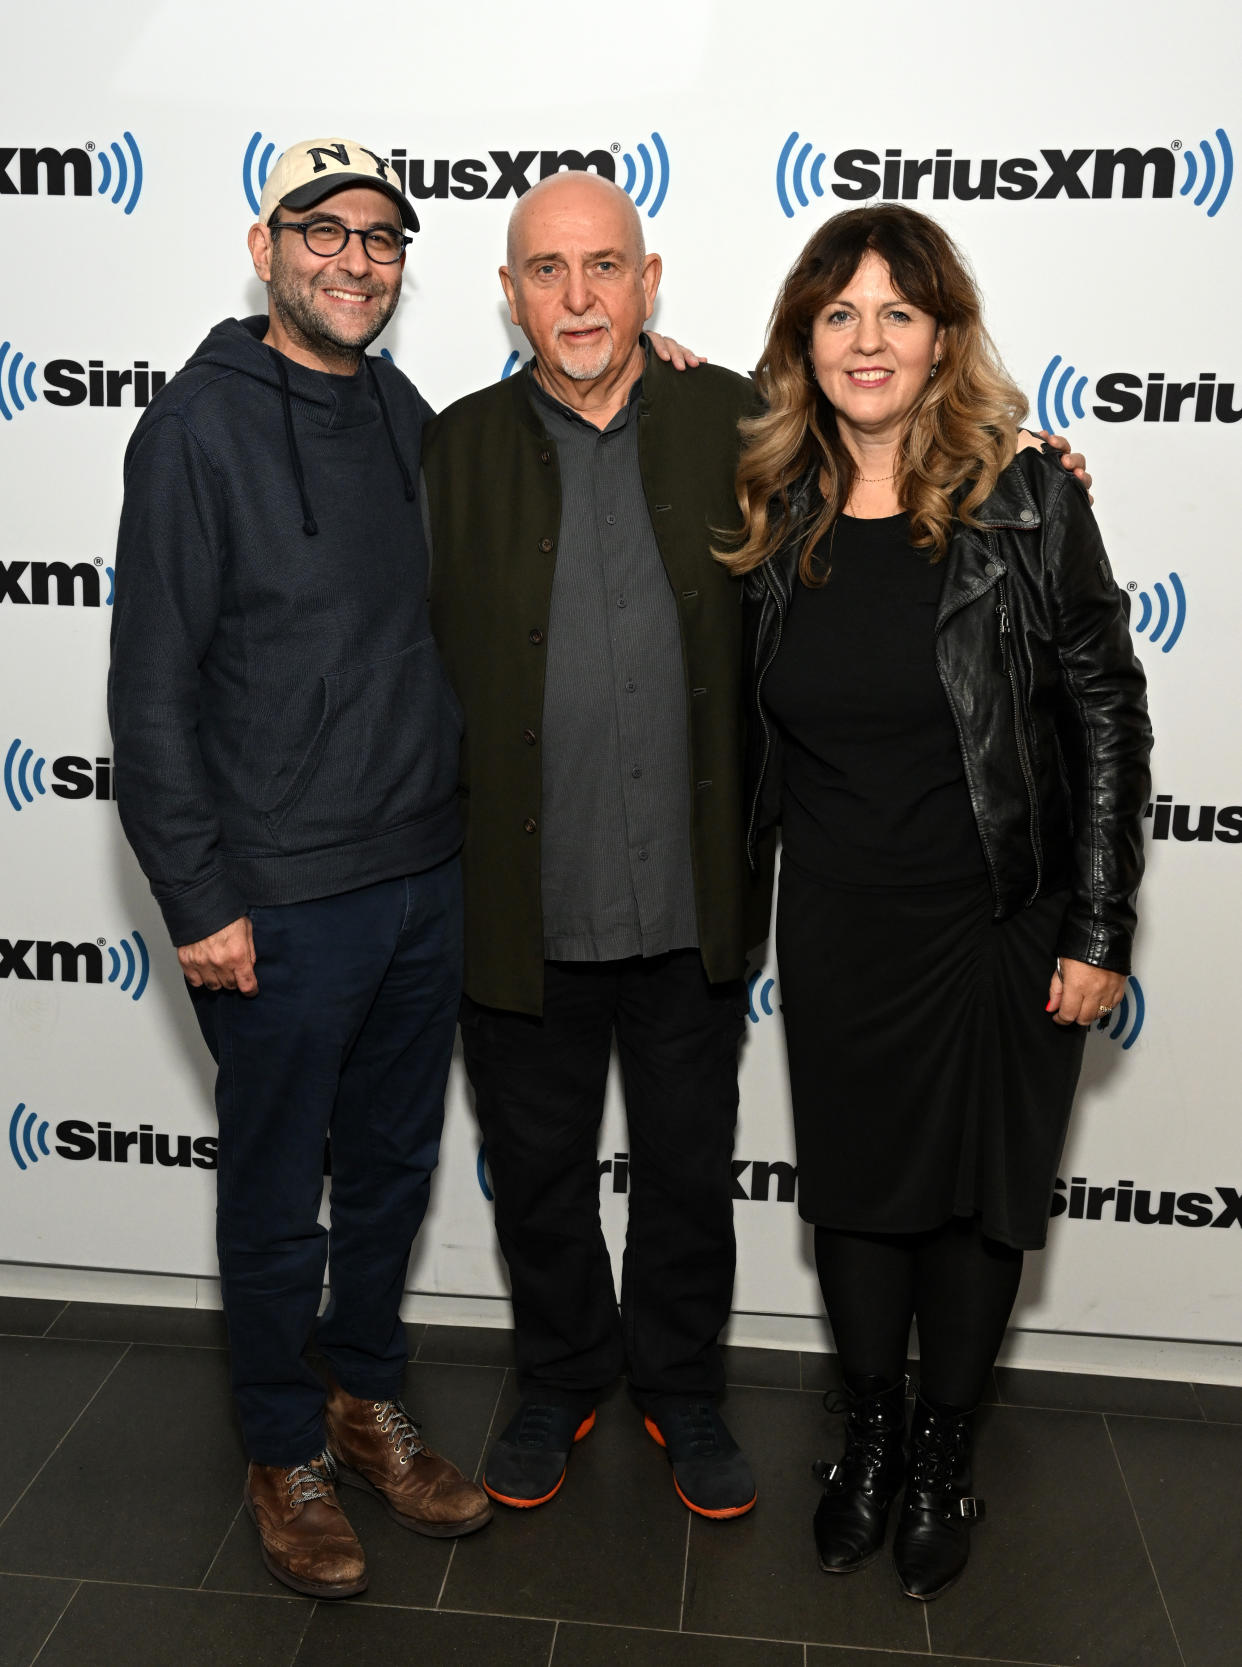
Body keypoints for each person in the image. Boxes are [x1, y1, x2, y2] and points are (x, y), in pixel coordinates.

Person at [722, 204, 1152, 1598]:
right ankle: (868, 1438)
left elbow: (1104, 709)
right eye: (837, 312)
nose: (865, 339)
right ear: (803, 337)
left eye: (894, 313)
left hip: (998, 920)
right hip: (840, 916)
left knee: (975, 1206)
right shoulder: (769, 505)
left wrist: (1099, 927)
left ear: (940, 337)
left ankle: (941, 1452)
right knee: (853, 1197)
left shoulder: (1028, 497)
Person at [108, 136, 490, 1602]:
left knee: (391, 1174)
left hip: (422, 873)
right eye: (320, 230)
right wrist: (197, 898)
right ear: (262, 248)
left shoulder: (402, 411)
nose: (352, 257)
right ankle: (282, 1448)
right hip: (278, 896)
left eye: (381, 238)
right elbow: (149, 690)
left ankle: (361, 1400)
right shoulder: (196, 426)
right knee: (280, 1195)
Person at [422, 171, 771, 1520]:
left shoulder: (736, 417)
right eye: (547, 271)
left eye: (603, 267)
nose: (578, 296)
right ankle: (560, 1371)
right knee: (541, 1174)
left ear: (649, 278)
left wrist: (1036, 465)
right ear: (508, 295)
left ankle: (681, 1393)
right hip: (521, 904)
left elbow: (886, 469)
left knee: (689, 1171)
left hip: (692, 903)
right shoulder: (447, 446)